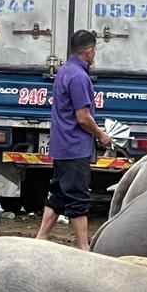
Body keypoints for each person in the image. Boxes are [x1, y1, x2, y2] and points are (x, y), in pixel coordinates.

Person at [35, 29, 111, 250]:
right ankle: (83, 248)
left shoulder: (64, 71)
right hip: (75, 147)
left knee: (58, 193)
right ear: (88, 51)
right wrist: (101, 135)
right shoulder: (79, 77)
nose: (94, 54)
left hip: (61, 145)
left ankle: (41, 238)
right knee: (78, 198)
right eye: (94, 50)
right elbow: (83, 117)